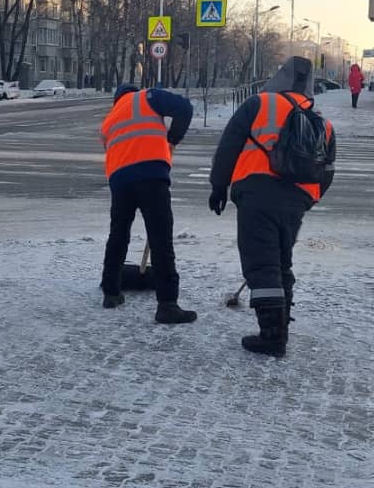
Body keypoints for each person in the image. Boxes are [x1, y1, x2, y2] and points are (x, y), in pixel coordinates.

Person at [208, 57, 336, 357]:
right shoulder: (321, 120)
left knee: (262, 265)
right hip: (296, 200)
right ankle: (281, 328)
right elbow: (327, 170)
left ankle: (272, 337)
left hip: (257, 192)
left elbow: (229, 146)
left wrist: (218, 186)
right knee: (281, 263)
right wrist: (307, 201)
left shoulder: (258, 104)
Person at [99, 84, 197, 324]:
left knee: (118, 234)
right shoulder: (148, 96)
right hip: (151, 175)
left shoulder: (109, 120)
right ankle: (167, 304)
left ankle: (111, 292)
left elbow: (114, 149)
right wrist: (172, 140)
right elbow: (185, 108)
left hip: (119, 180)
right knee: (160, 237)